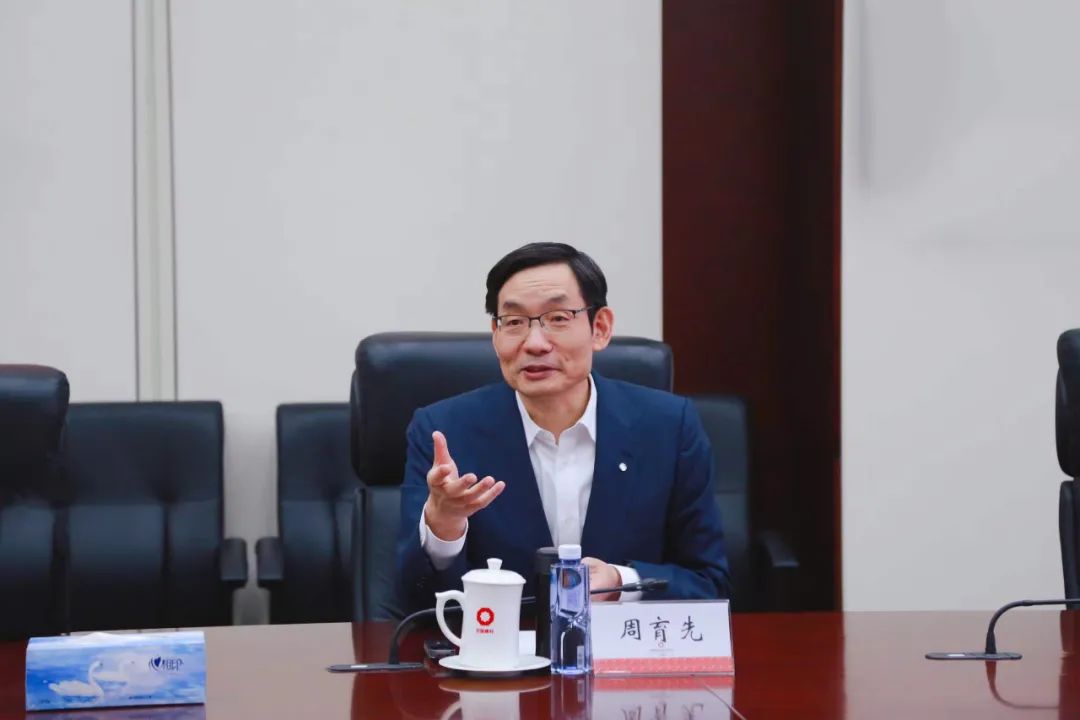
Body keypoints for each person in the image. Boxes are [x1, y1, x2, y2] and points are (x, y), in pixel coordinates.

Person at [396, 243, 729, 613]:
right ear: (495, 334)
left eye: (557, 318)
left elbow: (709, 583)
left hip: (621, 646)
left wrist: (620, 583)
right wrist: (444, 526)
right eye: (514, 322)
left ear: (600, 328)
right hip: (500, 647)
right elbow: (411, 604)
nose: (535, 343)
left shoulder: (668, 426)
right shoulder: (444, 432)